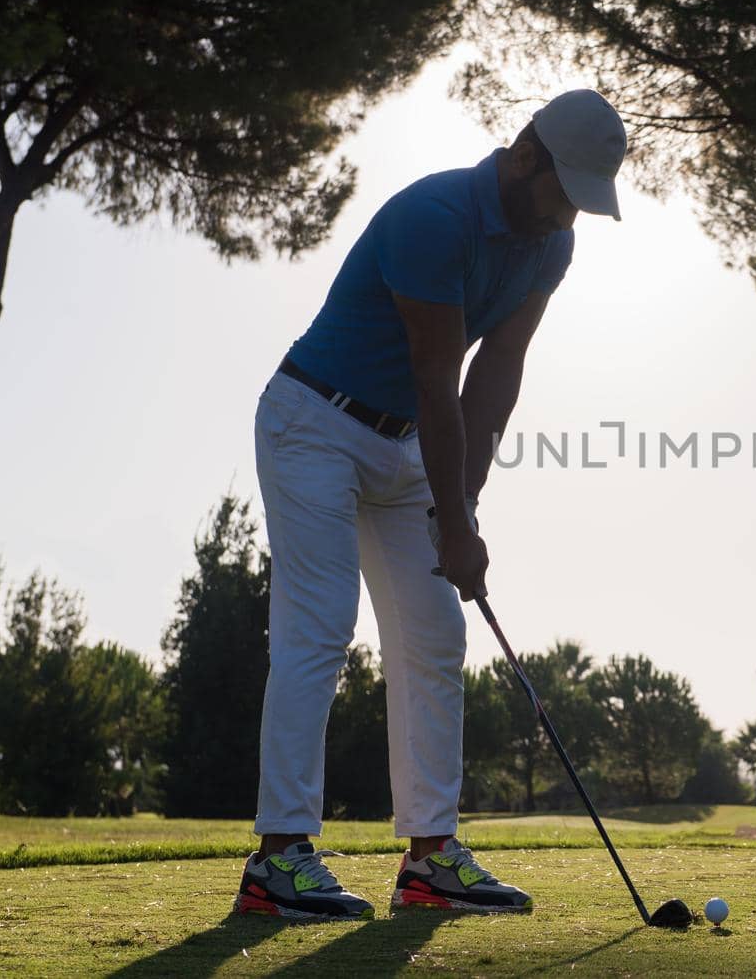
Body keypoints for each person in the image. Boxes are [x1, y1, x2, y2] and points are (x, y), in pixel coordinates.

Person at [235, 90, 627, 920]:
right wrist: (450, 523)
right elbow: (437, 378)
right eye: (566, 195)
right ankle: (279, 860)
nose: (569, 218)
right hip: (314, 421)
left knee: (435, 634)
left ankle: (430, 859)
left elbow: (497, 376)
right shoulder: (435, 214)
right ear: (527, 155)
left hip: (408, 443)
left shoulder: (550, 248)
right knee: (319, 625)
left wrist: (467, 512)